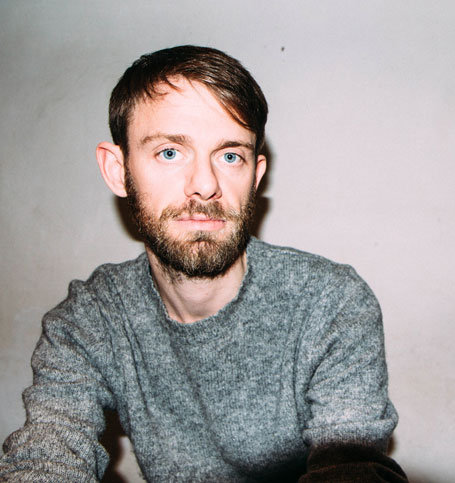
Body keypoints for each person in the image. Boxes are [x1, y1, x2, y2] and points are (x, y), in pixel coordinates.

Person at [0, 45, 406, 482]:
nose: (205, 184)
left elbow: (351, 466)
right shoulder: (91, 319)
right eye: (170, 152)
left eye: (230, 156)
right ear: (118, 170)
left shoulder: (330, 303)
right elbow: (49, 450)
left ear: (255, 175)